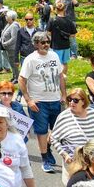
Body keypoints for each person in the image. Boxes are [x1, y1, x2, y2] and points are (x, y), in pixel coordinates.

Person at [18, 31, 66, 174]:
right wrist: (28, 100)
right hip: (39, 102)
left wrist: (64, 94)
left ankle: (48, 148)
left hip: (55, 100)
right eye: (43, 42)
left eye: (47, 42)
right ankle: (45, 159)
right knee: (42, 131)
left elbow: (60, 76)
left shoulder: (54, 56)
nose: (46, 45)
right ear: (36, 44)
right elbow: (22, 79)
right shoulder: (30, 59)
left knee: (57, 131)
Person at [50, 87, 94, 181]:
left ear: (83, 101)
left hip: (93, 161)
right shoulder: (64, 117)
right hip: (74, 162)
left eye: (75, 100)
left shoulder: (93, 114)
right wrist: (64, 154)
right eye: (69, 99)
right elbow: (53, 138)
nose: (71, 103)